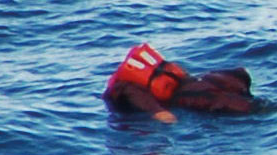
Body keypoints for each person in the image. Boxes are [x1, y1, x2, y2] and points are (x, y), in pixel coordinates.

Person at [103, 42, 257, 123]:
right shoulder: (124, 83)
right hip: (202, 79)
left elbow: (127, 90)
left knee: (246, 107)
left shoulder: (118, 89)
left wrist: (157, 111)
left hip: (189, 92)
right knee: (241, 90)